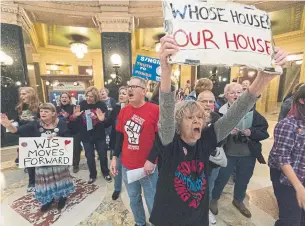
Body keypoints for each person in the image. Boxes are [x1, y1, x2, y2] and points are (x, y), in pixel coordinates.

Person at [148, 35, 286, 226]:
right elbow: (166, 112)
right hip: (168, 220)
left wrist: (263, 79)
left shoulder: (206, 140)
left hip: (198, 219)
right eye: (190, 117)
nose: (197, 120)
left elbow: (235, 113)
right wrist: (166, 68)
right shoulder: (170, 143)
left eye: (200, 117)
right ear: (178, 125)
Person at [1, 103, 75, 212]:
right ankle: (48, 200)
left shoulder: (61, 123)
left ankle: (62, 197)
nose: (43, 113)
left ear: (53, 113)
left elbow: (68, 138)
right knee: (45, 181)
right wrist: (8, 126)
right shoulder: (34, 124)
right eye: (41, 111)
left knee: (60, 179)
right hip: (42, 161)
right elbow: (17, 131)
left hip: (58, 160)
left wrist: (58, 138)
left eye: (46, 111)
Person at [211, 82, 269, 218]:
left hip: (247, 154)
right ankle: (214, 199)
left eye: (239, 92)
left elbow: (264, 131)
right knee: (221, 178)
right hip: (228, 154)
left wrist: (251, 132)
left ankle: (238, 200)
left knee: (244, 179)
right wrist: (226, 132)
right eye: (232, 92)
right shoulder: (219, 113)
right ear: (226, 96)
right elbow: (212, 136)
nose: (236, 95)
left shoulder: (253, 113)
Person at [110, 76, 159, 226]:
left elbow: (160, 139)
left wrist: (151, 160)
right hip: (127, 166)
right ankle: (140, 223)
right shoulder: (124, 111)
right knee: (134, 198)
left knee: (152, 200)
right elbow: (119, 136)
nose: (129, 89)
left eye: (134, 87)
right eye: (128, 86)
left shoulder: (155, 110)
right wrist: (114, 157)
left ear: (143, 91)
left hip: (148, 167)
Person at [269, 85, 305, 226]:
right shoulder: (288, 125)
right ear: (302, 100)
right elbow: (283, 159)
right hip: (287, 178)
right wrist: (299, 187)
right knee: (290, 220)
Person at [197, 90, 227, 224]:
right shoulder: (191, 115)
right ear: (198, 101)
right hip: (194, 161)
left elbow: (222, 140)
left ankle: (205, 212)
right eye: (204, 101)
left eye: (211, 101)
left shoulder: (217, 118)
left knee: (208, 188)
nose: (208, 104)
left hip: (211, 163)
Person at [72, 86, 111, 184]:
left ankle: (105, 172)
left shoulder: (101, 105)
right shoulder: (82, 104)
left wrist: (98, 118)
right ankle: (92, 175)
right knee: (89, 157)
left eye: (91, 96)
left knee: (102, 155)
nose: (88, 98)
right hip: (86, 135)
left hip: (99, 135)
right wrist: (75, 116)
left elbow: (106, 122)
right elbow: (75, 121)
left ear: (96, 97)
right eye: (87, 96)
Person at [14, 87, 40, 192]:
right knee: (30, 162)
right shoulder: (20, 107)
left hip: (36, 137)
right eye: (21, 94)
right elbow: (17, 120)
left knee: (39, 161)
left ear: (31, 94)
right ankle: (32, 182)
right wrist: (13, 123)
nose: (22, 96)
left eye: (24, 94)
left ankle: (43, 180)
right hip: (24, 137)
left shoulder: (39, 106)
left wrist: (16, 129)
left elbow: (37, 122)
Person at [104, 86, 129, 200]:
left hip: (130, 144)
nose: (121, 95)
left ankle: (132, 188)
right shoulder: (116, 108)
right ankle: (117, 188)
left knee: (129, 167)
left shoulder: (132, 108)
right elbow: (108, 123)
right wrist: (101, 120)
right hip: (117, 143)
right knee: (117, 166)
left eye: (124, 93)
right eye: (120, 93)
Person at [56, 92, 82, 173]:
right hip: (62, 132)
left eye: (66, 97)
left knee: (76, 149)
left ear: (69, 99)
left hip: (74, 131)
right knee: (64, 149)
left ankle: (76, 165)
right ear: (60, 99)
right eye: (62, 97)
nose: (64, 99)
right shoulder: (56, 108)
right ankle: (64, 164)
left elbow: (79, 119)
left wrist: (72, 117)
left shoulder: (74, 107)